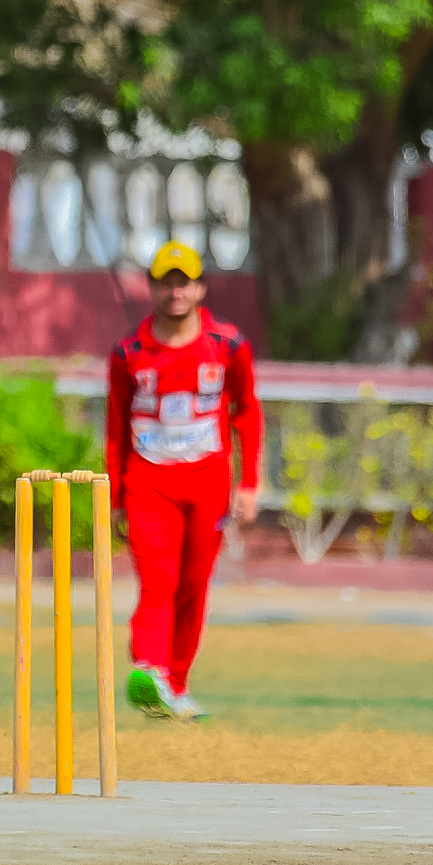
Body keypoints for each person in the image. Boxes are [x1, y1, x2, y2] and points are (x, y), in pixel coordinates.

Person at [106, 240, 262, 722]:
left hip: (208, 483)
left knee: (192, 585)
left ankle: (175, 684)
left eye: (184, 282)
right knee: (158, 582)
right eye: (165, 282)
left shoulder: (227, 345)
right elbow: (115, 429)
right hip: (147, 484)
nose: (175, 292)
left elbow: (247, 413)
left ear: (200, 288)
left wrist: (249, 485)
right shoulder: (129, 352)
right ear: (151, 288)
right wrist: (115, 498)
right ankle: (149, 671)